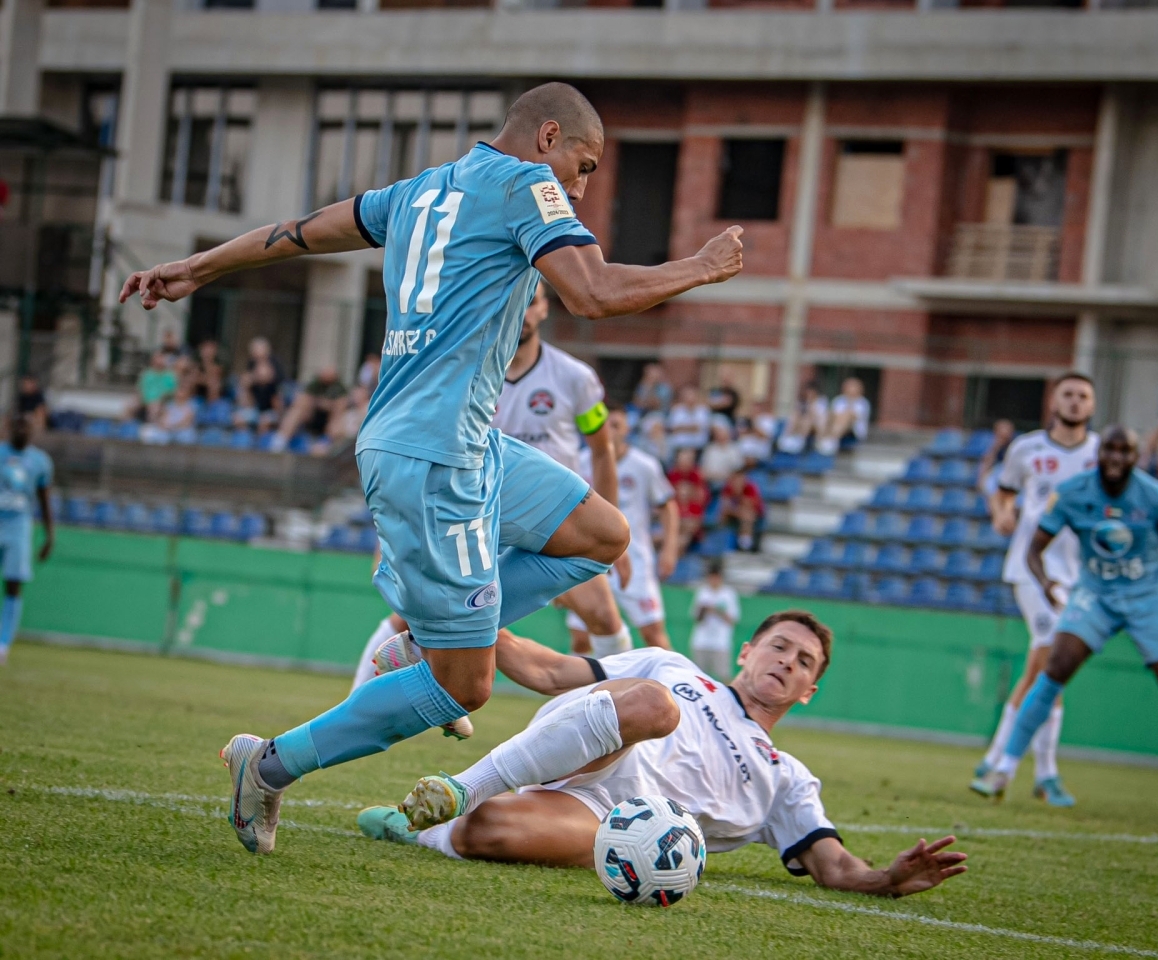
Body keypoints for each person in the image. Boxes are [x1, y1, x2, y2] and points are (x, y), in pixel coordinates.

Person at [119, 80, 743, 856]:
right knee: (465, 686)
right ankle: (269, 764)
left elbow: (299, 233)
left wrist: (201, 266)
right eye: (584, 167)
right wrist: (702, 267)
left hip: (458, 443)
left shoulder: (419, 191)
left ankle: (425, 632)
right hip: (434, 457)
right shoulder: (530, 186)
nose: (581, 188)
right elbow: (594, 292)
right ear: (548, 137)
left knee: (602, 536)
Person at [357, 614, 968, 902]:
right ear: (747, 651)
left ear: (809, 690)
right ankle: (464, 777)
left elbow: (834, 867)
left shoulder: (788, 779)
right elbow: (551, 671)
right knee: (655, 704)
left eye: (803, 662)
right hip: (593, 742)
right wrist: (467, 629)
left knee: (486, 832)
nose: (787, 661)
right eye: (779, 646)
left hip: (607, 822)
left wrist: (886, 880)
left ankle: (420, 829)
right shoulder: (672, 667)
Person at [971, 425, 1158, 827]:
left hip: (1148, 597)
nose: (1116, 457)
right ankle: (1003, 769)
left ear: (1136, 457)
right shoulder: (1073, 492)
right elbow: (1034, 548)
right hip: (1095, 594)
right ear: (1100, 454)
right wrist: (1047, 582)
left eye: (1125, 451)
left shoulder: (1156, 496)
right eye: (1110, 449)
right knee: (1054, 667)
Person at [973, 373, 1097, 808]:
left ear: (1092, 405)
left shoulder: (1101, 453)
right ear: (1054, 401)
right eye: (1068, 394)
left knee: (1043, 670)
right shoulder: (1027, 448)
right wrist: (1002, 513)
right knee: (1053, 661)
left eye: (1083, 396)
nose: (1075, 402)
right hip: (1032, 567)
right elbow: (1003, 494)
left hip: (1080, 575)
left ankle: (995, 759)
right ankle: (1044, 774)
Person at [492, 279, 633, 658]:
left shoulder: (574, 378)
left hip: (557, 521)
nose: (522, 311)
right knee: (427, 623)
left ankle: (619, 692)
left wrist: (608, 529)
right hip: (489, 521)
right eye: (514, 301)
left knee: (604, 618)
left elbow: (602, 451)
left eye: (531, 301)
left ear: (543, 309)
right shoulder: (473, 372)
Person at [569, 409, 679, 652]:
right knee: (581, 637)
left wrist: (669, 549)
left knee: (653, 634)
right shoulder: (579, 461)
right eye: (605, 424)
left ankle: (673, 676)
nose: (610, 430)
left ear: (627, 429)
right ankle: (586, 678)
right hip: (591, 558)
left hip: (635, 559)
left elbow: (667, 506)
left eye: (616, 425)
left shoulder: (644, 465)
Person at [0, 415, 54, 666]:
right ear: (8, 428)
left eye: (27, 427)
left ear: (34, 432)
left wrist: (49, 535)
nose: (22, 431)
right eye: (18, 426)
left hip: (19, 527)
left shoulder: (41, 461)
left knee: (13, 585)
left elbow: (45, 499)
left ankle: (3, 644)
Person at [270, 366, 348, 453]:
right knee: (298, 409)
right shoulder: (315, 385)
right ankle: (280, 441)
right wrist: (319, 403)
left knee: (338, 416)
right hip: (311, 417)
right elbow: (302, 398)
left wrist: (324, 404)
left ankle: (325, 442)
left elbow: (340, 405)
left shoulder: (339, 389)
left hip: (329, 423)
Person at [688, 558, 739, 679]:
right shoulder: (702, 592)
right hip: (701, 642)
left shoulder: (728, 594)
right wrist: (704, 610)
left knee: (724, 676)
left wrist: (717, 611)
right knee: (697, 676)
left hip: (720, 643)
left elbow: (732, 620)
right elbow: (696, 618)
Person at [667, 447, 709, 554]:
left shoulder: (697, 475)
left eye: (686, 461)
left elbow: (695, 522)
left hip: (688, 532)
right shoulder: (673, 474)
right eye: (681, 461)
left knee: (682, 538)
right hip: (675, 528)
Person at [817, 377, 870, 456]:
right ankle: (825, 438)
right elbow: (833, 415)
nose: (851, 390)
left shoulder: (863, 403)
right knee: (828, 415)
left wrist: (843, 414)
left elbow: (853, 417)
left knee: (847, 416)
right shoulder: (838, 400)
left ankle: (831, 440)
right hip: (836, 425)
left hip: (853, 431)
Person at [719, 466, 766, 552]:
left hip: (755, 514)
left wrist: (734, 507)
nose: (737, 482)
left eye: (740, 479)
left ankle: (744, 546)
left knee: (747, 516)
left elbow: (749, 506)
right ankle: (721, 543)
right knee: (722, 515)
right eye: (735, 480)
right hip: (736, 513)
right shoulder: (728, 488)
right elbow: (724, 506)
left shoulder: (751, 488)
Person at [139, 381, 199, 445]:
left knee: (187, 435)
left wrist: (172, 427)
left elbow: (187, 422)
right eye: (179, 390)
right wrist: (163, 424)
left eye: (183, 391)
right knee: (153, 434)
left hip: (183, 430)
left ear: (188, 393)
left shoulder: (192, 405)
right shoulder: (170, 404)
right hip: (169, 430)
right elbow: (163, 418)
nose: (180, 393)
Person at [777, 383, 828, 455]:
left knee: (808, 420)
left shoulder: (821, 402)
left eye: (811, 392)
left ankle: (799, 440)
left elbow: (818, 418)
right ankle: (787, 437)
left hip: (817, 428)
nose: (809, 394)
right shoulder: (802, 402)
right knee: (795, 415)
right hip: (803, 424)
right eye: (808, 392)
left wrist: (810, 405)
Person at [132, 350, 177, 422]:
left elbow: (171, 392)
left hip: (161, 403)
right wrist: (140, 400)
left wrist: (159, 400)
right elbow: (139, 389)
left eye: (161, 358)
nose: (159, 360)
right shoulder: (146, 374)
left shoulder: (170, 375)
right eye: (157, 358)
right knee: (129, 406)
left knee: (154, 407)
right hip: (144, 401)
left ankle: (150, 426)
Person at [667, 385, 711, 455]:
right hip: (680, 446)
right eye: (687, 397)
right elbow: (673, 428)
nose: (690, 399)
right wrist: (691, 428)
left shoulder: (703, 410)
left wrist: (682, 427)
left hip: (698, 446)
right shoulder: (677, 410)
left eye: (692, 396)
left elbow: (699, 428)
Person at [977, 418, 1016, 496]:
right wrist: (996, 447)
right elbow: (985, 464)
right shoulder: (993, 446)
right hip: (996, 475)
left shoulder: (1016, 446)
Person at [699, 420, 744, 487]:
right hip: (710, 483)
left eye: (723, 433)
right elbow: (703, 471)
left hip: (729, 484)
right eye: (718, 434)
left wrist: (725, 477)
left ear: (728, 434)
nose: (721, 436)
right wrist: (720, 476)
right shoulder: (709, 449)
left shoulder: (734, 449)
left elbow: (738, 470)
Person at [737, 399, 777, 466]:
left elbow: (764, 437)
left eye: (757, 408)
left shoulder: (767, 420)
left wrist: (754, 422)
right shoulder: (745, 419)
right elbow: (740, 434)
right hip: (742, 451)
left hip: (758, 453)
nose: (754, 410)